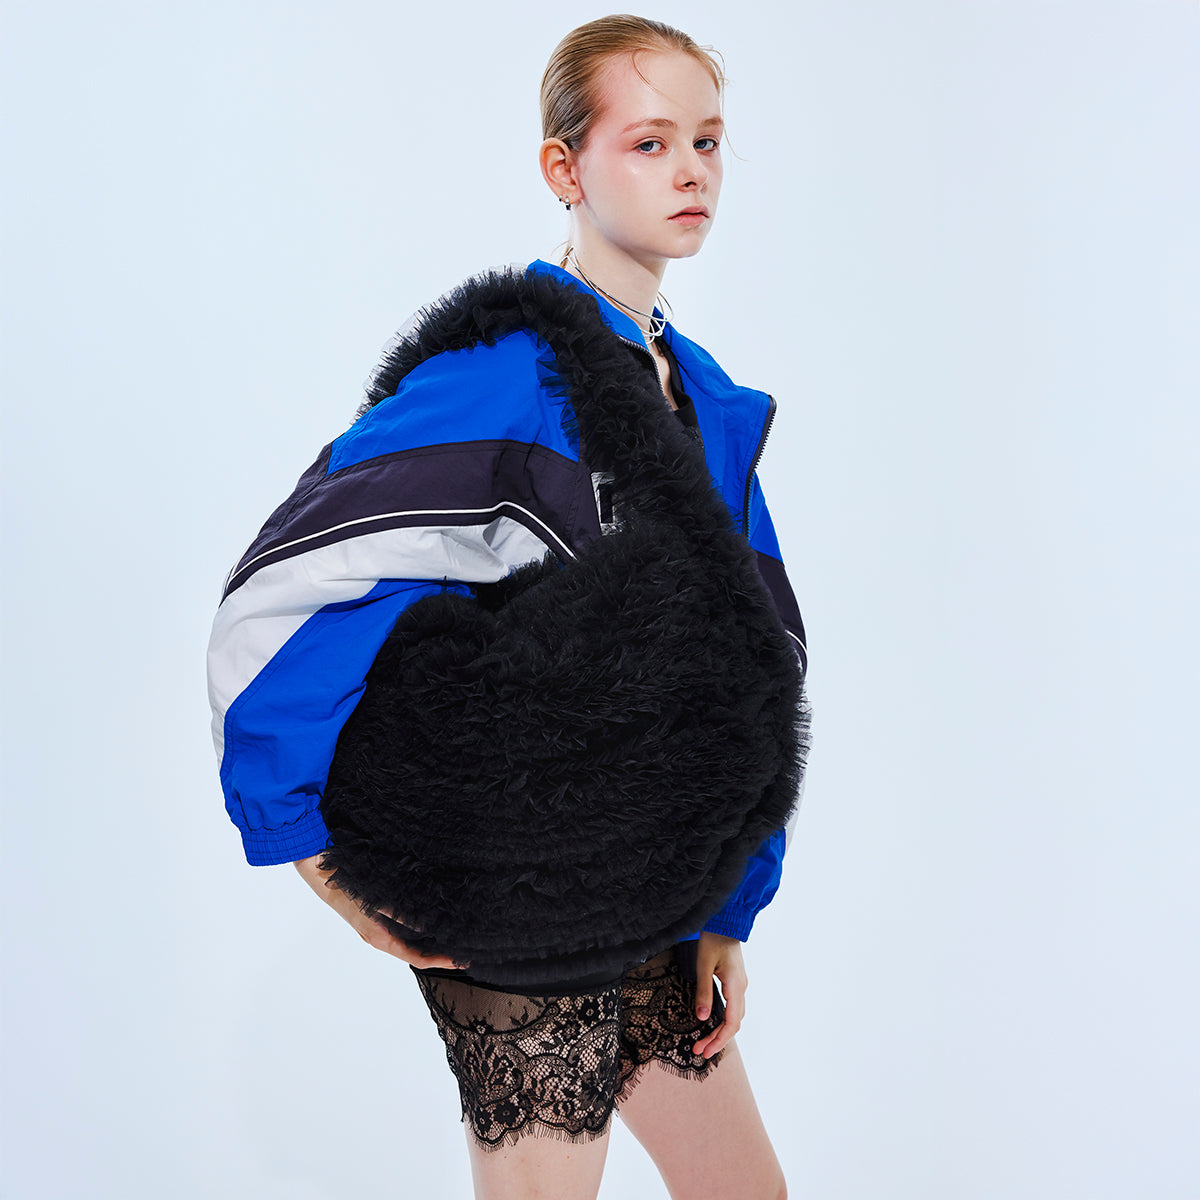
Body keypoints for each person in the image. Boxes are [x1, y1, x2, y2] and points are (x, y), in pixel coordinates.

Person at [206, 15, 810, 1199]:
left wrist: (727, 905)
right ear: (563, 168)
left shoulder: (700, 397)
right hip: (509, 874)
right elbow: (288, 587)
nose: (691, 171)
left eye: (707, 141)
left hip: (650, 882)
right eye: (649, 142)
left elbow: (751, 658)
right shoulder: (503, 376)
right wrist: (310, 853)